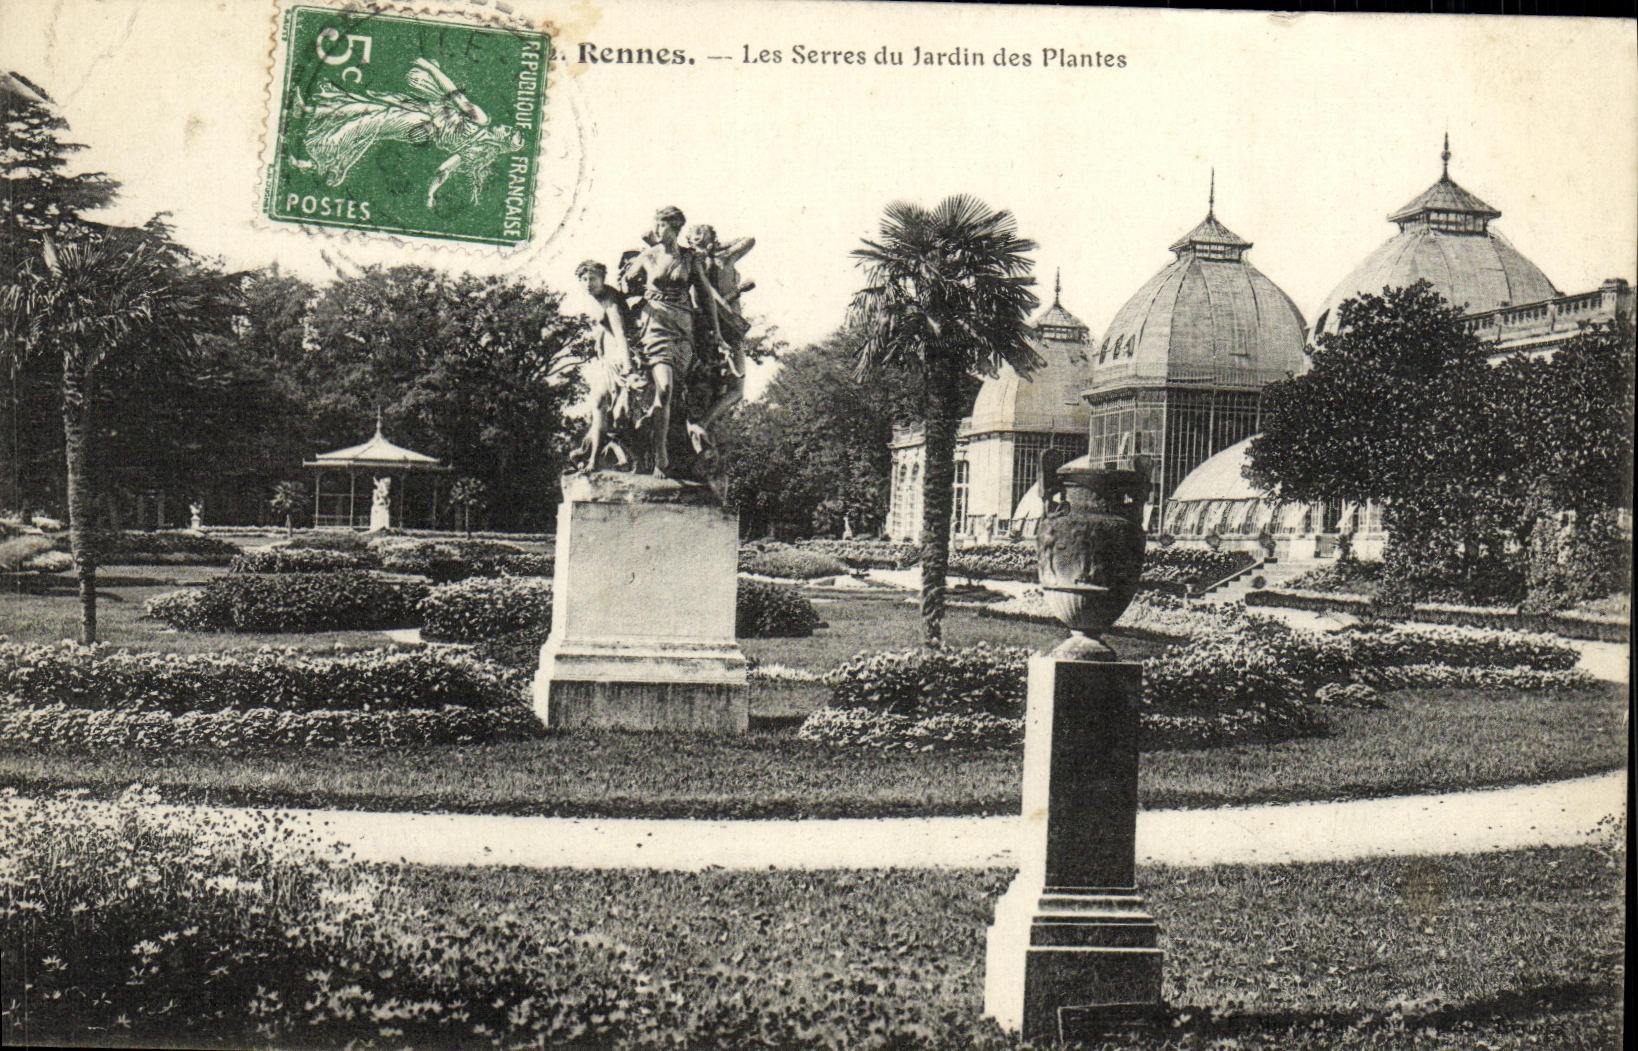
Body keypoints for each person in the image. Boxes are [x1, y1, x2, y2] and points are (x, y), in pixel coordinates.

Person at [620, 206, 705, 477]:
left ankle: (663, 444)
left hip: (683, 327)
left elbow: (706, 295)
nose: (658, 230)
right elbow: (624, 285)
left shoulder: (691, 258)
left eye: (663, 226)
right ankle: (660, 453)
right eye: (656, 225)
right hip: (654, 325)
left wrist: (717, 332)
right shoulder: (648, 255)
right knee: (665, 388)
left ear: (676, 227)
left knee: (672, 393)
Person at [572, 259, 641, 471]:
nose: (588, 283)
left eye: (592, 278)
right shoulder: (600, 298)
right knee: (599, 404)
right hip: (609, 358)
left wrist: (628, 368)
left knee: (611, 410)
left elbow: (620, 334)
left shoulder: (610, 299)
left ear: (603, 278)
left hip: (621, 359)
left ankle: (612, 458)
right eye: (584, 279)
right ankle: (594, 459)